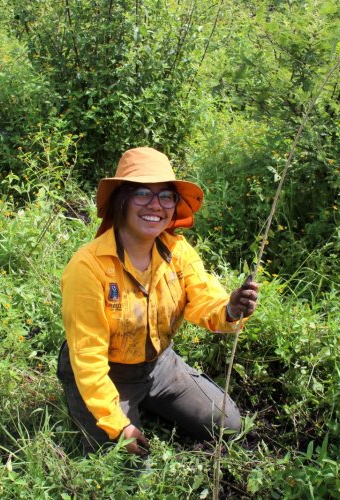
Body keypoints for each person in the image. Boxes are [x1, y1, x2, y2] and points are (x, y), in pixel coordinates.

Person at [58, 147, 258, 457]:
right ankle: (113, 409)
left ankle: (148, 401)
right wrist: (116, 424)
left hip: (158, 365)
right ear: (121, 200)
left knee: (228, 424)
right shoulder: (89, 267)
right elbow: (88, 358)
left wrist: (230, 309)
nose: (156, 206)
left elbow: (203, 299)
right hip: (107, 373)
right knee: (126, 470)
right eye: (142, 194)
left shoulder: (175, 249)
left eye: (166, 196)